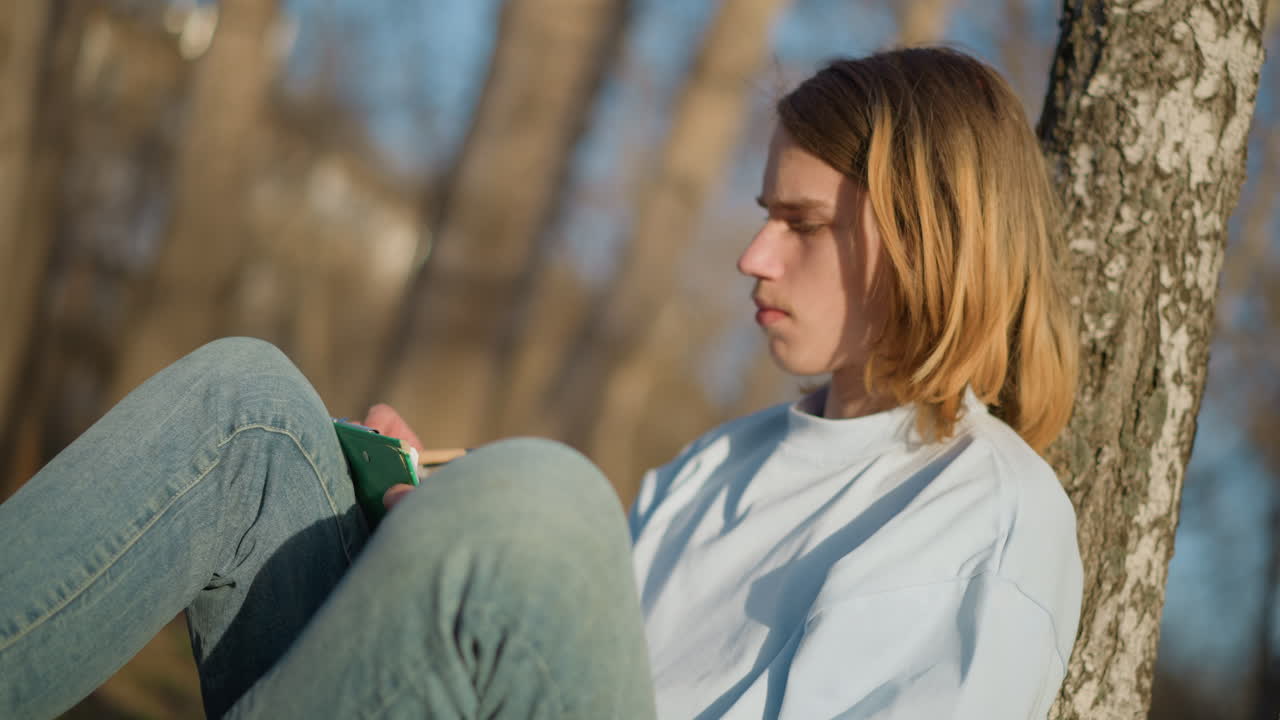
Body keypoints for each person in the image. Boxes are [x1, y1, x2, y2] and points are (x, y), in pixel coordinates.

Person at [0, 45, 1081, 719]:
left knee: (546, 500)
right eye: (762, 216)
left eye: (799, 224)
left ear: (932, 239)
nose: (753, 258)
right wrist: (438, 551)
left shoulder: (989, 524)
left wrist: (523, 527)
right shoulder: (719, 465)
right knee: (252, 417)